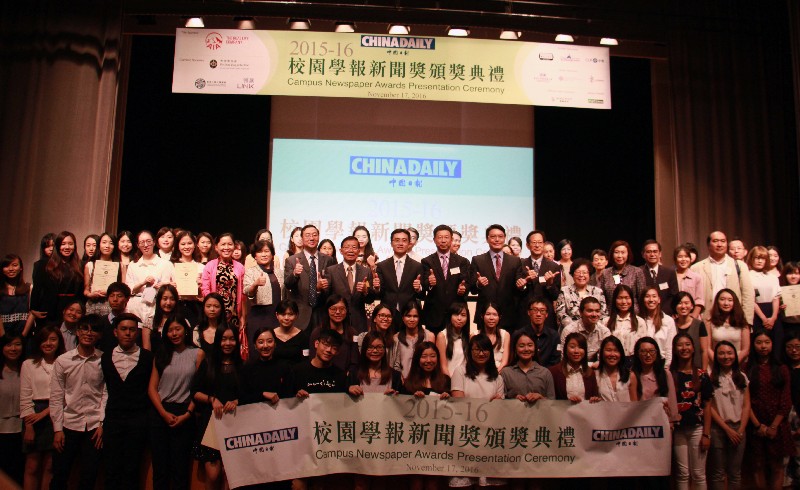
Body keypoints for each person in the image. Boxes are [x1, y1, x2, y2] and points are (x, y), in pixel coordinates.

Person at [49, 314, 106, 490]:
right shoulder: (63, 360)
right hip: (69, 424)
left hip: (94, 427)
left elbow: (106, 393)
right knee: (60, 475)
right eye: (85, 328)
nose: (89, 333)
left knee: (89, 477)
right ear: (78, 331)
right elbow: (56, 396)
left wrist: (102, 423)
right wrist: (57, 429)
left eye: (94, 329)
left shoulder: (104, 360)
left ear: (100, 335)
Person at [101, 313, 154, 490]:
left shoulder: (147, 358)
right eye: (123, 329)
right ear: (115, 332)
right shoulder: (105, 357)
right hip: (113, 420)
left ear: (137, 333)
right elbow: (103, 391)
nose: (128, 333)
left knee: (132, 470)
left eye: (132, 329)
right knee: (111, 469)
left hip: (138, 421)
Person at [148, 313, 201, 490]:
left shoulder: (197, 353)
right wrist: (163, 413)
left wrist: (188, 414)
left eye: (178, 329)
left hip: (185, 412)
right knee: (160, 468)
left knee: (180, 469)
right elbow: (152, 388)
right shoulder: (161, 354)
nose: (174, 333)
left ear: (186, 331)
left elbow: (199, 388)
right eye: (170, 330)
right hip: (160, 413)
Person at [450, 334, 506, 488]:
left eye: (485, 350)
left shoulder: (497, 378)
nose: (481, 353)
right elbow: (459, 403)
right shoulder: (460, 372)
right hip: (466, 435)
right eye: (477, 349)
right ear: (470, 351)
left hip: (488, 437)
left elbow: (498, 408)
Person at [192, 325, 242, 490]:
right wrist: (212, 399)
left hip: (235, 425)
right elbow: (194, 392)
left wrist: (236, 401)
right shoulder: (208, 364)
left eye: (232, 339)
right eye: (224, 339)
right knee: (213, 475)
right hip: (210, 424)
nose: (228, 343)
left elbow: (249, 394)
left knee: (231, 476)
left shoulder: (242, 366)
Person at [746, 330, 794, 489]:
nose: (763, 346)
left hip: (778, 425)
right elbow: (744, 401)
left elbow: (786, 400)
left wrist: (773, 426)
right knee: (757, 466)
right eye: (759, 342)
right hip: (755, 423)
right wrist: (757, 425)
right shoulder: (747, 368)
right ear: (753, 345)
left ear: (773, 344)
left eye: (767, 342)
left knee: (777, 466)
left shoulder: (782, 368)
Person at [20, 325, 64, 490]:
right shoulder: (28, 364)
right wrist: (29, 425)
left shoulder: (64, 363)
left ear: (59, 342)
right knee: (32, 465)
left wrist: (46, 412)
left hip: (56, 414)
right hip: (33, 413)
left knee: (49, 465)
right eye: (44, 340)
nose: (48, 343)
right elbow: (25, 397)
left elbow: (65, 395)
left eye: (53, 339)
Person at [670, 332, 713, 490]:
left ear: (694, 348)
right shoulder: (669, 374)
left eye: (687, 344)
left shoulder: (702, 375)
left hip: (697, 429)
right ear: (674, 349)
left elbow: (707, 405)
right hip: (677, 430)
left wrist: (706, 434)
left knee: (699, 474)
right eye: (680, 345)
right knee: (682, 474)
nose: (684, 348)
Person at [708, 341, 750, 490]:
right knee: (718, 473)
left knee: (735, 473)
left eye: (730, 353)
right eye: (722, 353)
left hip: (739, 428)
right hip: (718, 429)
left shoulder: (742, 377)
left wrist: (740, 429)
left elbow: (746, 406)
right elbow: (710, 408)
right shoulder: (710, 377)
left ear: (735, 355)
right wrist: (727, 429)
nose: (726, 356)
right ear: (716, 356)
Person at [691, 231, 755, 326]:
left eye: (723, 241)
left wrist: (746, 321)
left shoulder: (739, 266)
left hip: (733, 319)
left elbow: (748, 294)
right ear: (708, 245)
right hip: (706, 319)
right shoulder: (696, 268)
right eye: (715, 241)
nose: (720, 244)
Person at [470, 224, 526, 330]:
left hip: (509, 315)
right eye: (493, 236)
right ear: (487, 239)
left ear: (504, 238)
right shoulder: (478, 260)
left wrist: (522, 285)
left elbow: (519, 287)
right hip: (485, 314)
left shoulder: (515, 261)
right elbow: (472, 289)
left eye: (500, 236)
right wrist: (478, 284)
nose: (497, 239)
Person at [421, 225, 470, 334]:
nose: (443, 241)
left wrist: (464, 288)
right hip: (434, 314)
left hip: (456, 313)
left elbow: (466, 282)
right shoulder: (427, 261)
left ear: (451, 239)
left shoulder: (462, 261)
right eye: (440, 237)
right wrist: (429, 283)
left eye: (446, 237)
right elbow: (423, 285)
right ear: (434, 240)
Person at [284, 225, 335, 330]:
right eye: (307, 235)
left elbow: (332, 288)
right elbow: (287, 284)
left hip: (321, 314)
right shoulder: (292, 260)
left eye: (314, 235)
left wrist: (321, 289)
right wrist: (295, 274)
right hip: (300, 315)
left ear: (318, 237)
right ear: (302, 239)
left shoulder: (328, 260)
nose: (311, 238)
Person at [243, 239, 284, 360]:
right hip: (259, 316)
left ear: (272, 255)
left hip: (277, 317)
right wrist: (255, 284)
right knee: (258, 352)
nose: (264, 254)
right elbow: (247, 292)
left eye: (267, 251)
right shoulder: (251, 272)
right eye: (260, 252)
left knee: (276, 352)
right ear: (255, 256)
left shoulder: (279, 272)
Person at [30, 231, 83, 324]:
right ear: (58, 246)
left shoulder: (80, 265)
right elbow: (37, 288)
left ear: (74, 246)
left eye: (70, 244)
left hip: (72, 312)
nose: (67, 247)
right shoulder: (42, 265)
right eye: (63, 244)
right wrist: (33, 309)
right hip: (50, 311)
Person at [325, 236, 375, 334]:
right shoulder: (331, 271)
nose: (350, 250)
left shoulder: (366, 272)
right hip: (337, 322)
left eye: (354, 247)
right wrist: (319, 288)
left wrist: (366, 291)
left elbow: (370, 300)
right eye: (347, 247)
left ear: (359, 250)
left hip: (359, 322)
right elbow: (326, 297)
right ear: (341, 250)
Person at [125, 230, 175, 328]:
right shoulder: (133, 265)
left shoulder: (166, 264)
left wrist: (164, 285)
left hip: (157, 307)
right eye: (142, 242)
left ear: (154, 242)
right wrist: (142, 283)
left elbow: (174, 285)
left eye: (148, 241)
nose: (145, 245)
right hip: (136, 307)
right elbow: (129, 289)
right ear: (138, 245)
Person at [629, 337, 680, 430]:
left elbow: (672, 400)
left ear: (657, 353)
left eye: (652, 351)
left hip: (661, 422)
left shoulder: (665, 374)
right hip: (639, 423)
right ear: (637, 354)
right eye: (643, 351)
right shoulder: (632, 375)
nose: (648, 355)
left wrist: (671, 421)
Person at [520, 230, 562, 332]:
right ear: (528, 245)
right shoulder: (520, 264)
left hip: (546, 316)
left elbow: (556, 295)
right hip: (525, 315)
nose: (537, 245)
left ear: (543, 244)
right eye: (534, 243)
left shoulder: (554, 266)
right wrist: (524, 284)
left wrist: (549, 284)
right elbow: (516, 291)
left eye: (540, 242)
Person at [374, 228, 424, 314]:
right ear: (391, 243)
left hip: (408, 313)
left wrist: (418, 288)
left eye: (404, 240)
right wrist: (377, 288)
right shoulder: (382, 266)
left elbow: (422, 295)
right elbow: (379, 293)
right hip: (387, 312)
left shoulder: (417, 266)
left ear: (408, 243)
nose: (400, 243)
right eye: (397, 240)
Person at [201, 233, 245, 329]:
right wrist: (212, 306)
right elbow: (205, 289)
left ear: (234, 246)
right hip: (214, 313)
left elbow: (243, 294)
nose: (226, 247)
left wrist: (242, 316)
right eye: (223, 244)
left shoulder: (240, 267)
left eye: (229, 244)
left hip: (234, 314)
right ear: (216, 247)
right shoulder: (210, 265)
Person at [309, 294, 359, 374]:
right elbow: (312, 358)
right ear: (327, 310)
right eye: (333, 309)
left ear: (346, 311)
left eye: (342, 309)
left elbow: (354, 361)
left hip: (344, 377)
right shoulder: (318, 332)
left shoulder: (352, 333)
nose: (338, 312)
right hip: (321, 375)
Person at [501, 329, 555, 402]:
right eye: (521, 346)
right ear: (515, 349)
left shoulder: (545, 373)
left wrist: (541, 398)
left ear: (535, 349)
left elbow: (553, 402)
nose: (526, 349)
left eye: (530, 345)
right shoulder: (506, 373)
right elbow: (501, 402)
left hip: (540, 413)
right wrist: (513, 400)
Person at [747, 246, 783, 354]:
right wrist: (763, 318)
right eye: (756, 258)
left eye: (762, 258)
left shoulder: (772, 277)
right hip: (757, 313)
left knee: (776, 342)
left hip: (772, 313)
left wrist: (773, 317)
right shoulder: (748, 276)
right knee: (757, 344)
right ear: (751, 259)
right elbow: (750, 299)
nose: (759, 261)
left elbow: (776, 298)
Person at [289, 329, 348, 396]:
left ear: (337, 352)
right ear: (316, 344)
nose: (329, 350)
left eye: (334, 348)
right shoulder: (297, 371)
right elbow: (287, 401)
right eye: (326, 345)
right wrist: (296, 396)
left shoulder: (340, 375)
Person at [240, 328, 290, 405]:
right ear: (255, 346)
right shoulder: (248, 368)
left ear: (275, 344)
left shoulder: (284, 367)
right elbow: (242, 398)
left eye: (269, 341)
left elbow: (289, 394)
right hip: (255, 414)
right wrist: (262, 394)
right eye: (260, 342)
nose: (265, 346)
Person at [555, 258, 608, 330]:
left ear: (589, 274)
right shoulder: (564, 291)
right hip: (571, 332)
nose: (581, 275)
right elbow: (560, 313)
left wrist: (593, 328)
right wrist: (576, 328)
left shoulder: (598, 292)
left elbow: (604, 314)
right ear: (572, 274)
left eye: (584, 272)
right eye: (578, 272)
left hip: (594, 331)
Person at [560, 296, 612, 368]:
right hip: (573, 368)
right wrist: (591, 365)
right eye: (590, 311)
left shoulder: (604, 332)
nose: (594, 314)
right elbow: (564, 359)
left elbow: (605, 359)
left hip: (597, 370)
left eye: (597, 311)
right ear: (580, 312)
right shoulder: (569, 331)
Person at [597, 240, 646, 314]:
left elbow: (641, 298)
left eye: (623, 252)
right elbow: (600, 297)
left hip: (633, 315)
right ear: (612, 254)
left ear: (628, 254)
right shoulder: (605, 273)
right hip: (611, 316)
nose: (619, 256)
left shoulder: (637, 272)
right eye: (616, 252)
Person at [0, 334, 24, 485]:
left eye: (17, 344)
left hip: (21, 430)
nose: (13, 349)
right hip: (1, 430)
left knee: (17, 473)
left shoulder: (27, 368)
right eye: (9, 345)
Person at [348, 331, 403, 396]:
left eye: (379, 347)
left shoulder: (395, 375)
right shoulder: (354, 373)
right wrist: (349, 389)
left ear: (384, 349)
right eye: (370, 347)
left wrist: (392, 398)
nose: (375, 351)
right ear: (364, 349)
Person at [549, 333, 600, 402]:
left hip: (585, 411)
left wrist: (594, 399)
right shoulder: (553, 372)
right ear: (565, 349)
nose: (576, 351)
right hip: (561, 411)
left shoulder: (590, 373)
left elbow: (595, 397)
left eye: (580, 347)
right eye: (572, 347)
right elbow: (550, 399)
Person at [706, 289, 750, 364]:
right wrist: (718, 365)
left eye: (730, 300)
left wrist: (733, 365)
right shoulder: (709, 323)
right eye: (722, 299)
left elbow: (745, 349)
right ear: (717, 302)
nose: (726, 303)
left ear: (734, 302)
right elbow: (708, 348)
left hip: (738, 364)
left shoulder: (742, 323)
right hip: (716, 365)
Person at [393, 300, 435, 380]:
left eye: (415, 316)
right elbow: (394, 365)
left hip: (424, 381)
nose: (412, 319)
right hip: (403, 383)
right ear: (403, 317)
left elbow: (433, 363)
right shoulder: (395, 338)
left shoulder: (429, 336)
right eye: (408, 316)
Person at [606, 285, 649, 359]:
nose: (623, 302)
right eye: (620, 298)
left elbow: (643, 346)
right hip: (613, 360)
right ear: (614, 300)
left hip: (634, 361)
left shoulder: (640, 322)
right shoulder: (606, 321)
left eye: (627, 298)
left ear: (632, 300)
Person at [170, 230, 204, 327]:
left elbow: (203, 295)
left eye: (189, 243)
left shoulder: (201, 267)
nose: (186, 247)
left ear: (195, 245)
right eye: (183, 244)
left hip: (195, 306)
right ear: (178, 246)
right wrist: (170, 285)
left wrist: (200, 287)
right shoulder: (171, 266)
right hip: (176, 305)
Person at [516, 298, 561, 367]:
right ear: (529, 312)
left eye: (542, 311)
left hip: (547, 375)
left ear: (546, 314)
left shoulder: (554, 336)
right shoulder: (519, 334)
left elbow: (555, 361)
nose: (538, 314)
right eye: (535, 310)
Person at [640, 240, 680, 315]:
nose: (652, 254)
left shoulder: (669, 272)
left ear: (660, 254)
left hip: (666, 315)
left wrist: (663, 313)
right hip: (644, 315)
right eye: (649, 252)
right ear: (643, 254)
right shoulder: (638, 272)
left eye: (655, 251)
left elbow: (674, 296)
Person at [672, 292, 710, 370]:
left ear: (692, 306)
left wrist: (704, 371)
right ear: (675, 306)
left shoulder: (699, 324)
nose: (683, 306)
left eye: (686, 303)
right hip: (676, 370)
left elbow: (704, 350)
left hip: (696, 369)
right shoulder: (671, 324)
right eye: (679, 303)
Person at [0, 254, 35, 338]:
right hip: (4, 337)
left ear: (20, 268)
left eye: (14, 265)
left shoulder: (29, 288)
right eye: (6, 266)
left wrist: (23, 336)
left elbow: (32, 313)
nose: (11, 269)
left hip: (24, 335)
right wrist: (3, 338)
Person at [641, 286, 677, 366]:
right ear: (643, 300)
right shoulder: (639, 320)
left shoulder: (668, 321)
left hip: (662, 364)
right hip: (642, 365)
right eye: (647, 296)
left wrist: (666, 367)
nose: (651, 300)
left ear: (659, 299)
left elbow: (670, 348)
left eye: (654, 296)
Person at [82, 232, 117, 316]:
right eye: (104, 242)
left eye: (111, 243)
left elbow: (123, 289)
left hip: (112, 305)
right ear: (99, 244)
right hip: (92, 305)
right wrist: (90, 294)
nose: (107, 246)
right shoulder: (90, 265)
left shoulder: (119, 265)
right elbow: (86, 290)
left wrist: (109, 292)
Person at [356, 303, 397, 369]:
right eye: (382, 315)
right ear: (374, 318)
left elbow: (396, 365)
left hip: (388, 375)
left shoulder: (394, 341)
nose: (386, 319)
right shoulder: (363, 337)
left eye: (389, 316)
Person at [435, 302, 471, 377]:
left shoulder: (470, 337)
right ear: (450, 316)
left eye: (463, 315)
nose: (459, 318)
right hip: (448, 380)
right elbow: (443, 367)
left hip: (466, 379)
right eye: (456, 314)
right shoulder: (442, 336)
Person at [272, 300, 310, 367]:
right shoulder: (271, 335)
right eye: (283, 314)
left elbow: (305, 361)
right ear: (277, 315)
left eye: (290, 314)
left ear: (296, 315)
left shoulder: (303, 337)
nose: (286, 318)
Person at [96, 281, 131, 355]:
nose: (115, 299)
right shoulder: (101, 321)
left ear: (127, 299)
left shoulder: (133, 321)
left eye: (119, 296)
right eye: (112, 295)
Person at [144, 284, 180, 352]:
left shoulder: (181, 321)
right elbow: (146, 349)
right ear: (159, 300)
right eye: (165, 299)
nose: (168, 303)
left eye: (172, 299)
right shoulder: (149, 321)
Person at [596, 335, 631, 401]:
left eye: (616, 350)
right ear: (602, 353)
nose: (612, 354)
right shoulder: (595, 376)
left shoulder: (630, 375)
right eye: (608, 350)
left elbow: (635, 404)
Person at [674, 245, 705, 318]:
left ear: (690, 259)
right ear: (675, 259)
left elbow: (699, 300)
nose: (683, 259)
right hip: (675, 317)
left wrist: (693, 316)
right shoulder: (670, 276)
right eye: (680, 257)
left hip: (692, 316)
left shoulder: (697, 277)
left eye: (686, 257)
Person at [782, 262, 800, 340]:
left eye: (796, 273)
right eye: (790, 273)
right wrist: (780, 309)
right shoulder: (780, 291)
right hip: (786, 326)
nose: (793, 276)